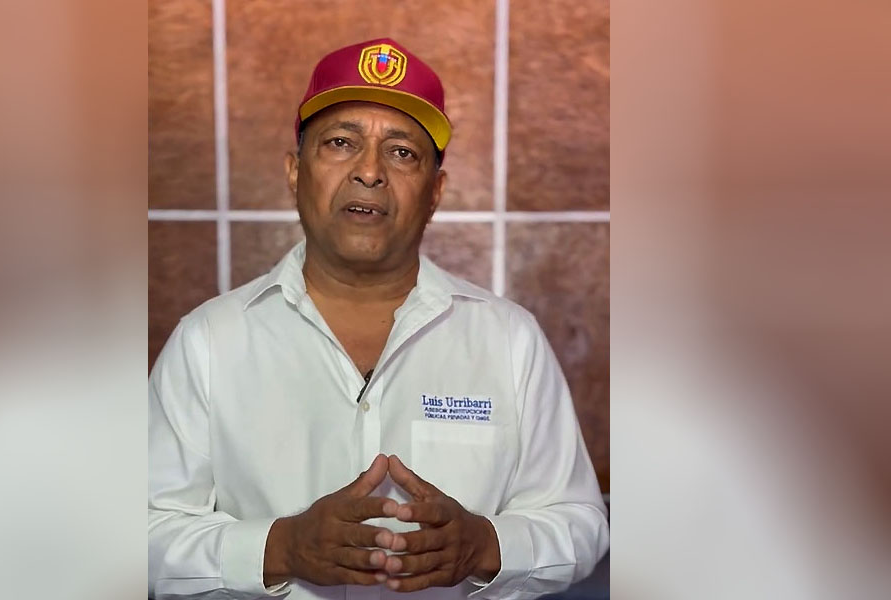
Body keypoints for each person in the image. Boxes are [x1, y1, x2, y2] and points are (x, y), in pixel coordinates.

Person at [149, 38, 609, 600]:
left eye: (402, 152)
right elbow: (143, 531)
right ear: (294, 171)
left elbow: (579, 522)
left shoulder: (508, 339)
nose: (369, 171)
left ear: (436, 191)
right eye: (341, 143)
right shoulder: (209, 339)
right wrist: (282, 548)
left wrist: (485, 544)